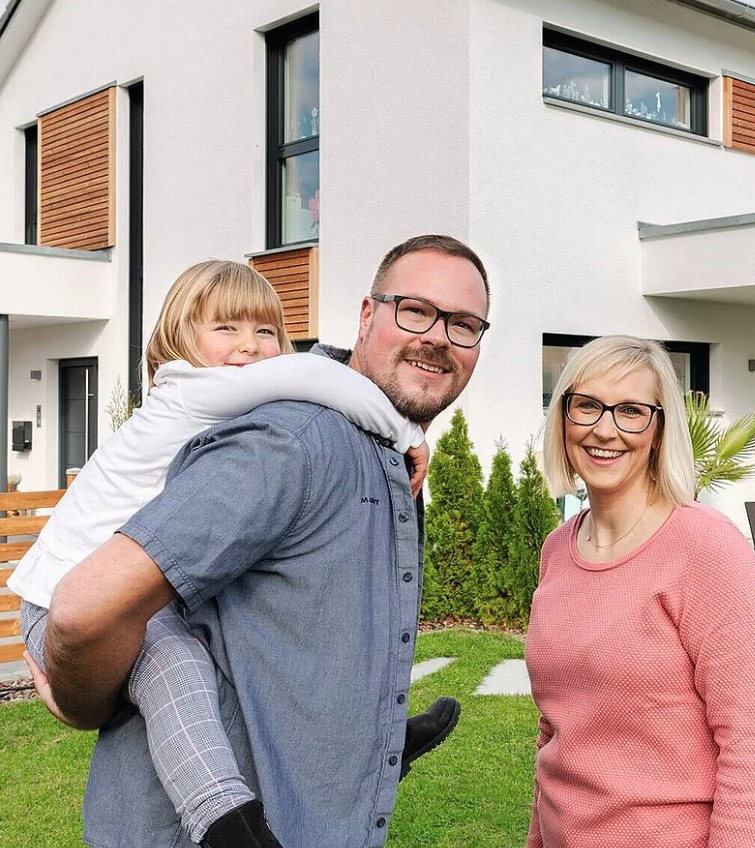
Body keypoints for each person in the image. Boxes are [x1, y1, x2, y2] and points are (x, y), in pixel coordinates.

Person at [37, 234, 490, 848]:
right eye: (415, 310)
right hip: (164, 815)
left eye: (464, 323)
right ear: (367, 314)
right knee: (171, 666)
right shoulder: (284, 436)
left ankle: (374, 742)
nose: (437, 335)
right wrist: (78, 699)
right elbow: (85, 606)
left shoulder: (351, 444)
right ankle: (222, 816)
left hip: (302, 807)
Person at [526, 335, 755, 848]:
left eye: (631, 411)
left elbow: (751, 750)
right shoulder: (558, 549)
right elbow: (556, 729)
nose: (605, 429)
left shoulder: (708, 550)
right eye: (588, 406)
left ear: (660, 430)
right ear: (563, 417)